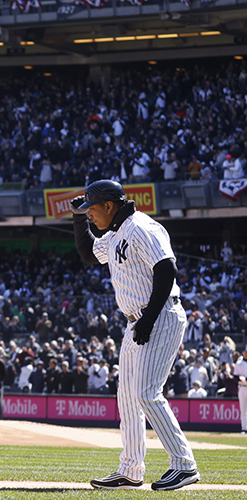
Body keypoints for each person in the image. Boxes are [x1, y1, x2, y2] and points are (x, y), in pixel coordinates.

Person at [72, 179, 199, 491]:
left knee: (146, 392)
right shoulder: (116, 233)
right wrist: (76, 217)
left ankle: (184, 465)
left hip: (159, 315)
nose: (90, 215)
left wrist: (148, 319)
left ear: (109, 206)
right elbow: (89, 254)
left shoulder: (141, 226)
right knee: (128, 397)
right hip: (137, 322)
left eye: (92, 209)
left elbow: (167, 269)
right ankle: (130, 470)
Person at [234, 351, 247, 435]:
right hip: (242, 387)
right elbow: (235, 376)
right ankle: (244, 428)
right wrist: (240, 378)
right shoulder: (239, 363)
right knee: (243, 409)